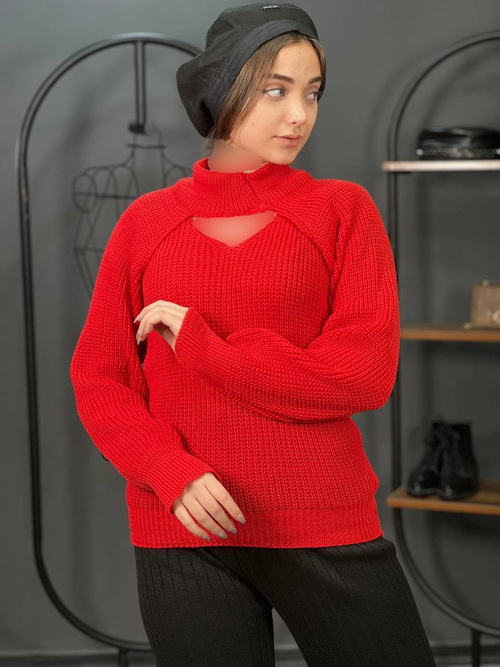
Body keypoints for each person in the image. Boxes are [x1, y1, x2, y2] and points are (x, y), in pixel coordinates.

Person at [70, 4, 437, 666]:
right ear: (221, 89)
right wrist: (166, 470)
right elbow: (101, 379)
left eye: (312, 92)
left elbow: (361, 376)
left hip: (320, 517)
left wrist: (205, 348)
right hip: (183, 528)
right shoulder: (145, 224)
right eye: (275, 90)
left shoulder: (342, 212)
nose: (299, 114)